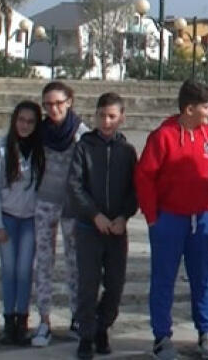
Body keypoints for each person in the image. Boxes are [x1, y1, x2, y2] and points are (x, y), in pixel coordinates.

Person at [136, 79, 208, 360]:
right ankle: (162, 337)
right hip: (169, 220)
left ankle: (206, 332)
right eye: (206, 106)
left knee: (203, 277)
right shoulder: (162, 137)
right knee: (163, 278)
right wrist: (153, 217)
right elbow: (144, 177)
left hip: (202, 219)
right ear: (189, 108)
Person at [67, 92, 138, 359]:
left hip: (117, 230)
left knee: (115, 284)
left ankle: (102, 326)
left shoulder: (127, 151)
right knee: (88, 284)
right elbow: (75, 187)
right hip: (89, 229)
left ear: (121, 118)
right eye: (101, 116)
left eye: (111, 116)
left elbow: (135, 189)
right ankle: (85, 334)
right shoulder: (84, 147)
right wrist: (94, 215)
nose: (106, 122)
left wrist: (123, 216)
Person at [32, 80, 91, 347]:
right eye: (48, 104)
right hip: (45, 202)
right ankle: (44, 320)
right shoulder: (40, 131)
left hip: (72, 208)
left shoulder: (80, 133)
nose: (53, 109)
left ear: (69, 102)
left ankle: (77, 317)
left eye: (58, 103)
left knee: (74, 264)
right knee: (43, 262)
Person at [0, 100, 45, 346]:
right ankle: (8, 321)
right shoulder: (1, 149)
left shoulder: (42, 151)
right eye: (21, 120)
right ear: (14, 121)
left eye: (31, 122)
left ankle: (23, 320)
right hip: (8, 219)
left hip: (30, 220)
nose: (25, 126)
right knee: (9, 271)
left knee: (24, 271)